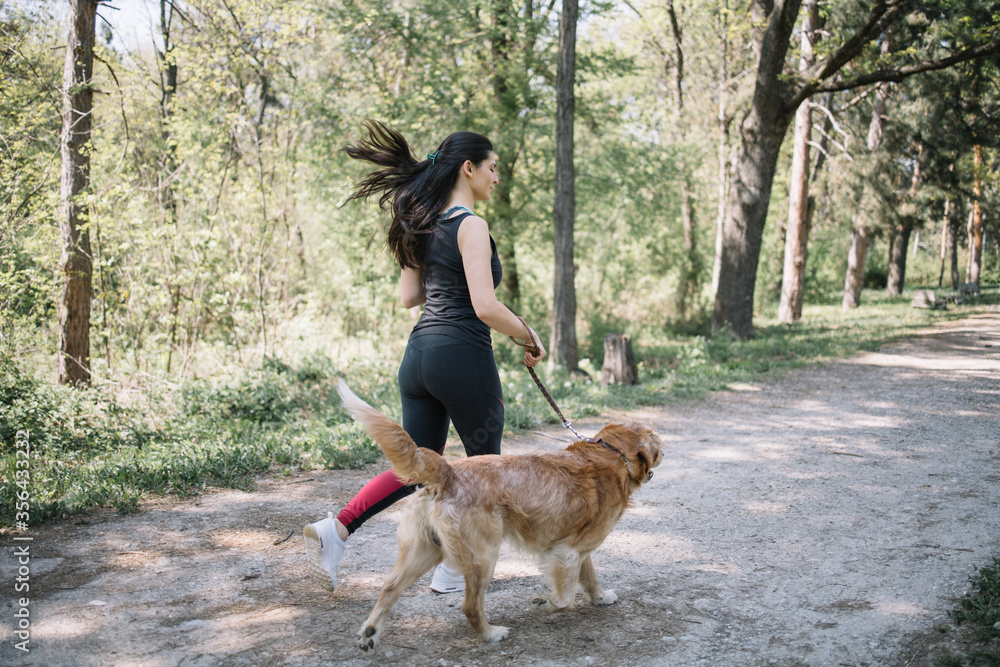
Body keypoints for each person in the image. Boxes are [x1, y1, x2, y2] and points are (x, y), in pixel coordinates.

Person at [304, 120, 546, 595]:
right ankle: (454, 570)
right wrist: (529, 334)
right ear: (469, 168)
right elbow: (485, 307)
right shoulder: (471, 224)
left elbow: (409, 297)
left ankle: (338, 529)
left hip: (418, 359)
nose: (497, 178)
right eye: (493, 168)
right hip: (461, 355)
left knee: (415, 464)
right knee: (485, 467)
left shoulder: (417, 220)